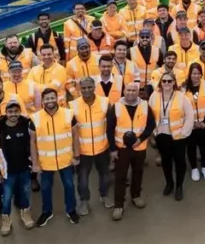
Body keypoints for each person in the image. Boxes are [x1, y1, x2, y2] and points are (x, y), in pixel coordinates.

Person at [30, 88, 81, 226]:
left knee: (69, 185)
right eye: (47, 98)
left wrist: (77, 155)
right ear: (43, 100)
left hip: (66, 160)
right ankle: (47, 212)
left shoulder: (69, 114)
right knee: (45, 188)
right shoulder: (35, 118)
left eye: (52, 97)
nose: (50, 100)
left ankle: (71, 210)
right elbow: (32, 142)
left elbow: (76, 135)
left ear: (57, 98)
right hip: (46, 163)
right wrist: (35, 163)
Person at [108, 82, 155, 220]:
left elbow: (151, 125)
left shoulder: (145, 106)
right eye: (128, 90)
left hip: (139, 147)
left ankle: (136, 195)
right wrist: (112, 150)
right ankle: (118, 205)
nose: (131, 93)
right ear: (124, 91)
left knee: (138, 173)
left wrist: (141, 139)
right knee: (120, 177)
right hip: (121, 149)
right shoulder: (116, 107)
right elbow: (109, 130)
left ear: (138, 92)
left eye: (134, 90)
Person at [0, 100, 35, 235]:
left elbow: (32, 144)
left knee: (25, 193)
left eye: (16, 111)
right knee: (7, 197)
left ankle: (26, 214)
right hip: (8, 172)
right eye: (10, 111)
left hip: (24, 169)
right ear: (6, 113)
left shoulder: (26, 124)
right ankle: (6, 219)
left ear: (20, 112)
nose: (13, 114)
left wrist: (32, 163)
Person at [150, 71, 195, 201]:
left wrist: (184, 133)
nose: (167, 83)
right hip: (161, 135)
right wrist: (154, 131)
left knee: (180, 161)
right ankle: (169, 183)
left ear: (174, 82)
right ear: (160, 83)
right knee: (166, 160)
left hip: (178, 136)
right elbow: (150, 114)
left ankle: (179, 186)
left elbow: (190, 116)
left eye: (169, 81)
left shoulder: (181, 97)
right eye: (164, 81)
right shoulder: (154, 96)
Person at [70, 77, 111, 215]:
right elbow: (70, 132)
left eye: (89, 87)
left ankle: (104, 195)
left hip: (103, 148)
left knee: (105, 175)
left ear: (94, 87)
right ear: (79, 89)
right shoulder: (73, 106)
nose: (86, 90)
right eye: (83, 88)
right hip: (82, 151)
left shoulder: (105, 102)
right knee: (82, 179)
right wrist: (73, 152)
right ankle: (84, 201)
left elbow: (111, 126)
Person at [184, 63, 205, 182]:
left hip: (204, 124)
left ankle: (204, 167)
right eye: (194, 73)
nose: (196, 76)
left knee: (204, 147)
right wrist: (191, 123)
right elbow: (180, 106)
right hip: (190, 125)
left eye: (198, 73)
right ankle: (194, 168)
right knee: (191, 147)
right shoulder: (183, 87)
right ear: (190, 74)